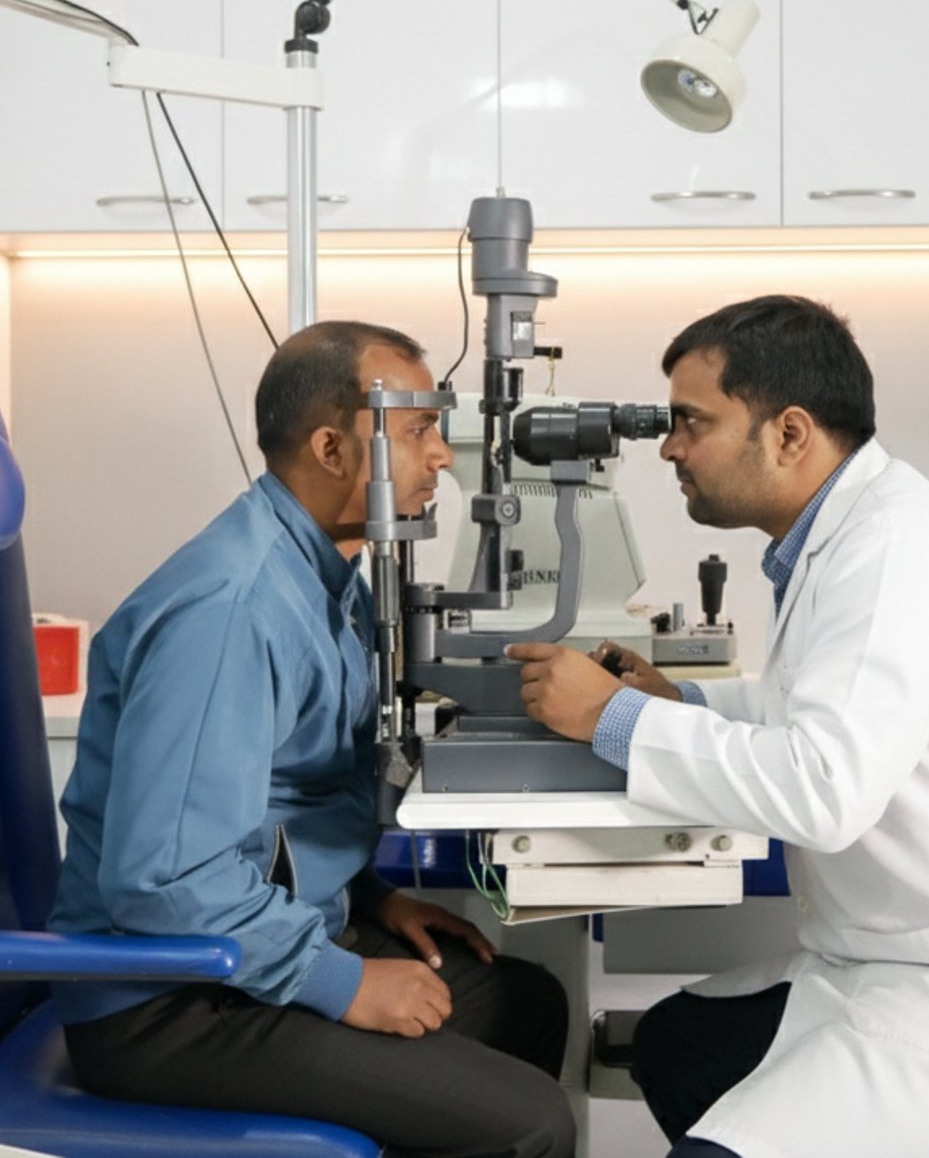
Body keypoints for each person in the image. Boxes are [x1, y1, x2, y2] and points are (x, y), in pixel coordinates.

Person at [508, 296, 929, 1158]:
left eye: (692, 422)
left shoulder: (896, 551)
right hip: (886, 965)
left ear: (790, 434)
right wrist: (674, 706)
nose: (670, 447)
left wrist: (610, 717)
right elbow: (810, 711)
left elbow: (823, 786)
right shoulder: (838, 539)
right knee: (675, 1048)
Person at [51, 320, 576, 1158]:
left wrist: (371, 900)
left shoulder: (328, 577)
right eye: (417, 430)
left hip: (250, 944)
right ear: (333, 448)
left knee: (528, 1005)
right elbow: (160, 881)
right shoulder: (233, 608)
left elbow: (283, 797)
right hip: (169, 998)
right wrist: (345, 981)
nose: (442, 456)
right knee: (533, 1124)